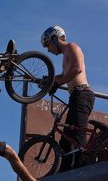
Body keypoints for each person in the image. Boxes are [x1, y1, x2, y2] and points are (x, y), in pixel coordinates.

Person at [41, 25, 95, 171]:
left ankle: (84, 169)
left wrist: (58, 82)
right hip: (76, 96)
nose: (48, 50)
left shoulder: (72, 46)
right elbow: (64, 76)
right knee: (66, 137)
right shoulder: (65, 56)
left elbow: (77, 69)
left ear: (54, 38)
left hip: (82, 94)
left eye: (48, 45)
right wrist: (50, 80)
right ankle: (64, 171)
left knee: (78, 133)